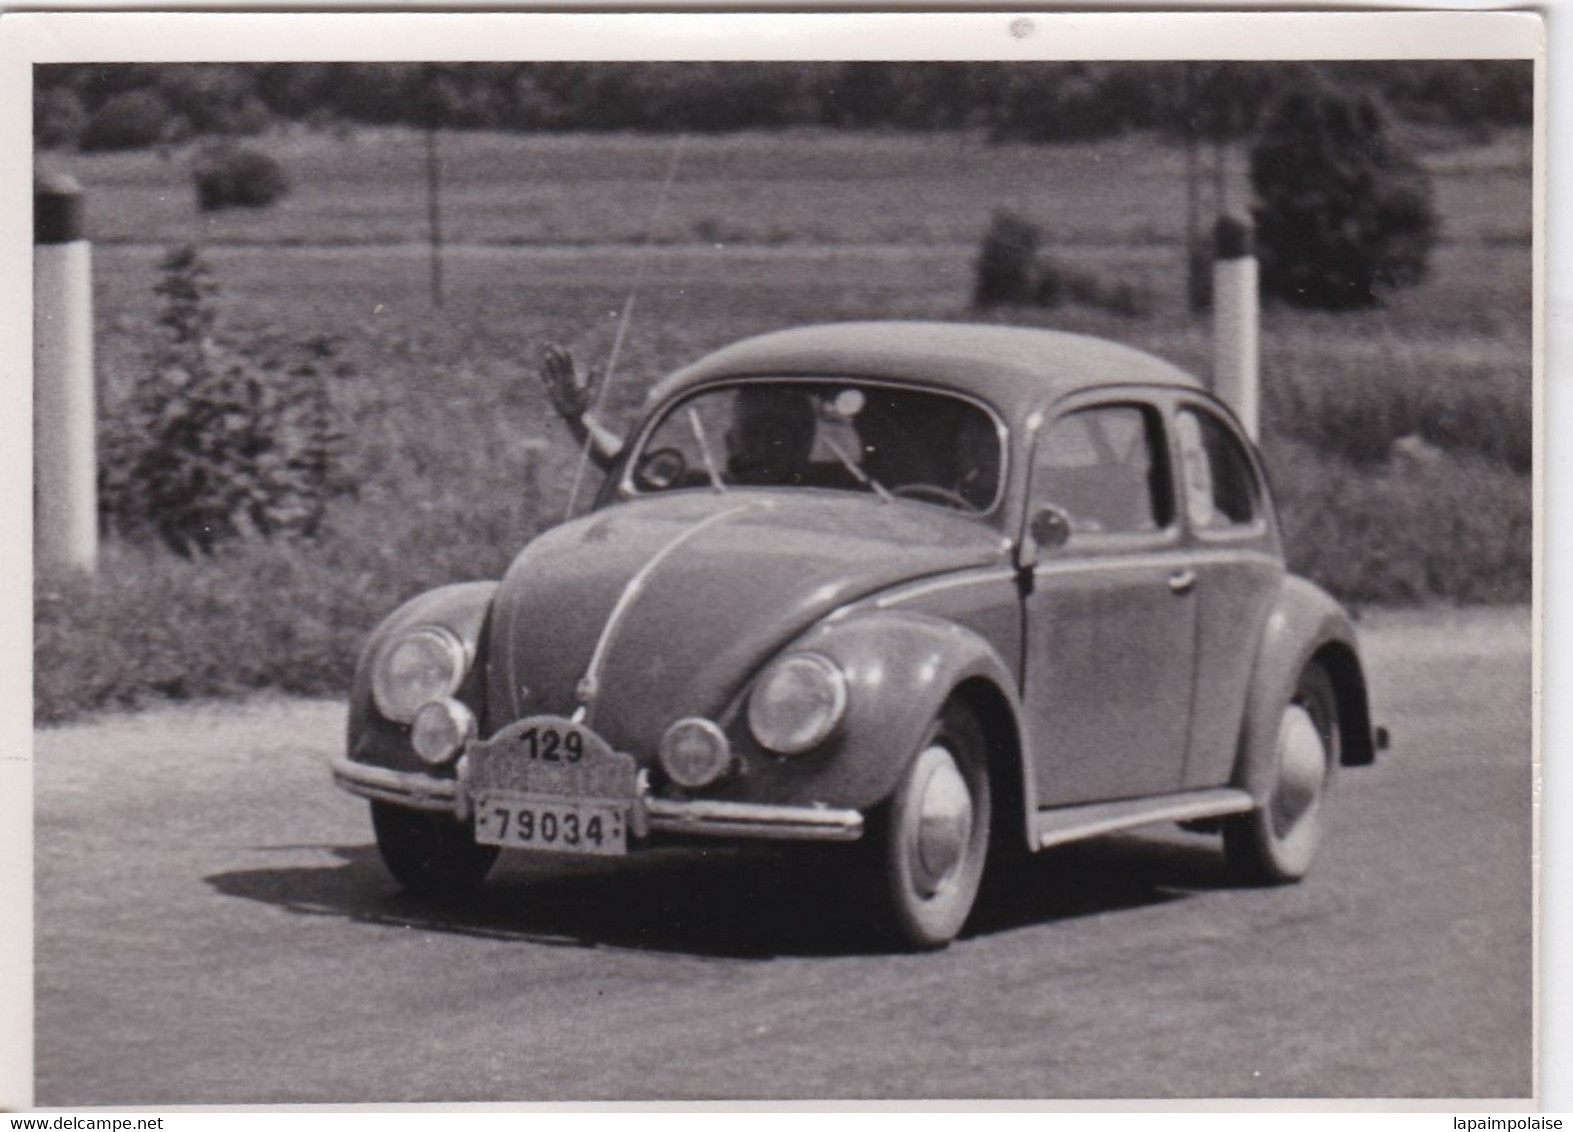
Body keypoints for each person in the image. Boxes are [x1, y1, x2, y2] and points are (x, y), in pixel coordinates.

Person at [540, 345, 817, 488]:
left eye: (780, 435)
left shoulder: (833, 500)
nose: (763, 447)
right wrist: (577, 418)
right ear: (731, 441)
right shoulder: (701, 493)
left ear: (803, 445)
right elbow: (624, 464)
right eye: (753, 433)